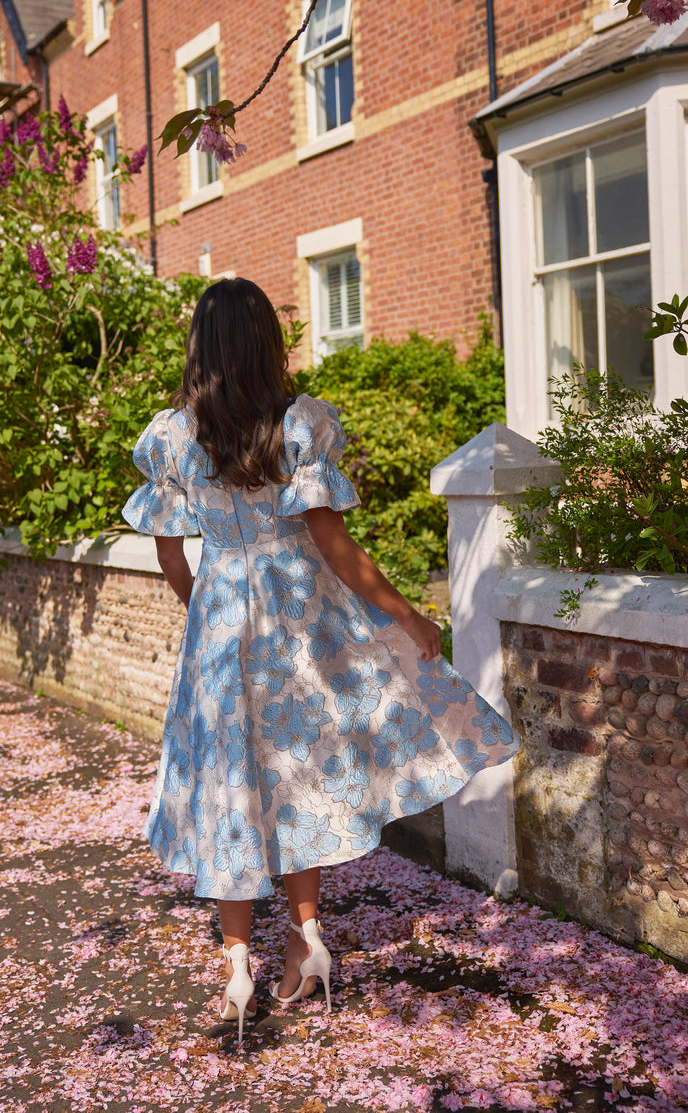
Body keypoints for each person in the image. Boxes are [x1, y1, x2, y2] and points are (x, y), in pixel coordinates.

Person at [122, 277, 520, 1042]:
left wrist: (205, 613)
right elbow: (334, 545)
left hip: (220, 631)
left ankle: (238, 967)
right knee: (293, 777)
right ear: (266, 342)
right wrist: (407, 613)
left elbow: (171, 555)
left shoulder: (172, 437)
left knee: (233, 788)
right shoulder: (297, 425)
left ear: (200, 347)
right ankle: (307, 937)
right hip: (297, 627)